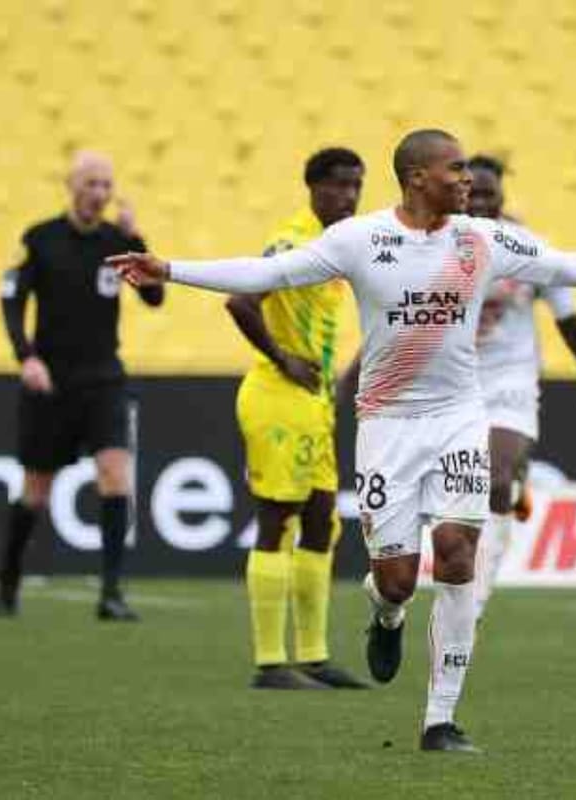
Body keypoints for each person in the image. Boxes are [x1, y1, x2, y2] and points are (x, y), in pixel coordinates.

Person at [107, 128, 576, 753]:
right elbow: (270, 271)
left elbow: (570, 265)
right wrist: (171, 269)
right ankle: (386, 614)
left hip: (461, 417)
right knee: (399, 578)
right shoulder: (360, 240)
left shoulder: (481, 239)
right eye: (455, 169)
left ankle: (440, 720)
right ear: (417, 179)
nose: (468, 181)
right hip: (386, 426)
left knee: (459, 555)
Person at [0, 151, 164, 621]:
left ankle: (111, 593)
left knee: (115, 474)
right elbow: (12, 300)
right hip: (52, 381)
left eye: (106, 185)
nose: (99, 193)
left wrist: (137, 239)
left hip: (104, 378)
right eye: (91, 184)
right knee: (36, 490)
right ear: (71, 185)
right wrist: (26, 356)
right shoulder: (40, 238)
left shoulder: (117, 242)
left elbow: (154, 297)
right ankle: (8, 578)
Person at [224, 147, 368, 690]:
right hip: (277, 397)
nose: (349, 197)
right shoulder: (293, 242)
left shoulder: (337, 247)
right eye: (338, 185)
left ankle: (312, 656)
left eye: (356, 186)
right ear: (312, 187)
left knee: (322, 522)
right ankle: (268, 662)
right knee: (276, 521)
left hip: (314, 403)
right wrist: (282, 357)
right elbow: (240, 300)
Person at [466, 154, 576, 620]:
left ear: (502, 198)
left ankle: (474, 599)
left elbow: (568, 319)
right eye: (472, 192)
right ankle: (515, 476)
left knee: (492, 481)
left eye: (488, 194)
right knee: (459, 491)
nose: (479, 202)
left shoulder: (529, 249)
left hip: (510, 379)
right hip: (452, 381)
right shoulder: (433, 245)